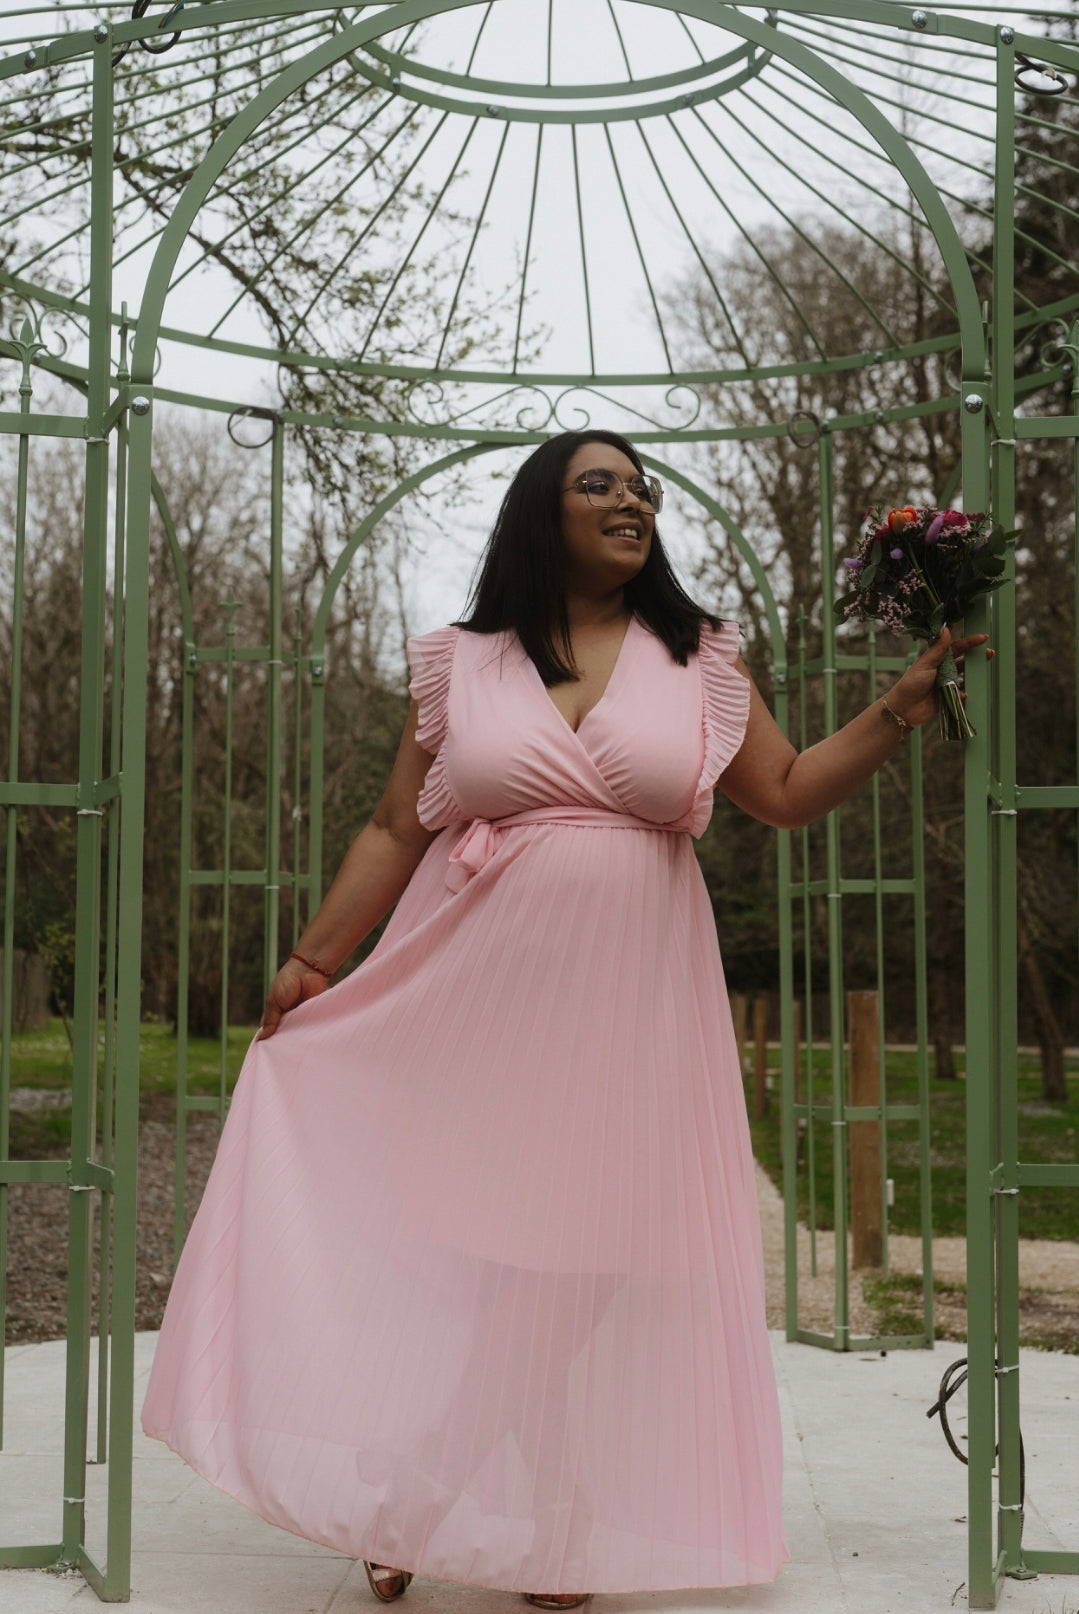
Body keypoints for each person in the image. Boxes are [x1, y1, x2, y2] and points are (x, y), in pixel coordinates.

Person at [142, 430, 988, 1610]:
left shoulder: (696, 657)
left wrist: (894, 710)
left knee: (589, 1257)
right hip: (478, 1003)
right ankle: (551, 1521)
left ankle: (420, 1480)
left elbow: (786, 793)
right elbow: (394, 827)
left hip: (632, 1010)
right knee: (508, 1256)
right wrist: (311, 959)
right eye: (601, 484)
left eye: (641, 487)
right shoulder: (462, 662)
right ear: (543, 513)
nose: (631, 500)